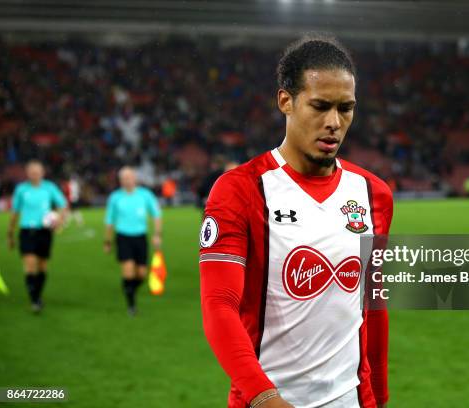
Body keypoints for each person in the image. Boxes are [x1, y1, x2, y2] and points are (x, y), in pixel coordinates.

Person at [199, 35, 393, 408]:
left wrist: (379, 398)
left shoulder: (374, 194)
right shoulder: (240, 191)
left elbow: (373, 306)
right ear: (285, 101)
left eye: (346, 108)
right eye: (320, 106)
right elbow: (219, 306)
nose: (334, 122)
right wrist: (267, 399)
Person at [7, 160, 67, 313]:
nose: (34, 175)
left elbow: (63, 204)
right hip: (27, 231)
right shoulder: (21, 189)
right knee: (30, 263)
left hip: (44, 232)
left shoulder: (49, 187)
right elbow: (15, 212)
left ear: (42, 173)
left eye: (37, 172)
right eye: (32, 172)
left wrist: (60, 220)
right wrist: (10, 233)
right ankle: (34, 299)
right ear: (27, 174)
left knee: (42, 266)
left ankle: (37, 295)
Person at [104, 166, 162, 315]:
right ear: (120, 180)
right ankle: (131, 305)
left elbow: (156, 214)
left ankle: (129, 289)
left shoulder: (145, 195)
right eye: (123, 178)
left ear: (135, 179)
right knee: (128, 271)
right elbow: (109, 220)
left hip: (140, 237)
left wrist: (157, 234)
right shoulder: (115, 197)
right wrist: (108, 241)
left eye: (129, 177)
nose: (126, 181)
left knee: (141, 274)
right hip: (123, 237)